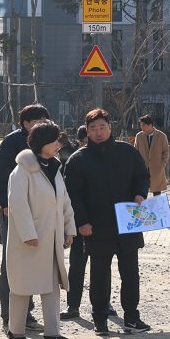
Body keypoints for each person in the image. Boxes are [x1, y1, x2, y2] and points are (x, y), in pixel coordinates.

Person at [64, 108, 152, 335]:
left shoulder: (127, 152)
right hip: (96, 227)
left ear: (110, 128)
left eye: (102, 127)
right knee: (99, 275)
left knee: (131, 273)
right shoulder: (78, 160)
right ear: (87, 131)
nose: (98, 132)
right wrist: (81, 222)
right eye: (93, 128)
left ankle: (132, 318)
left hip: (128, 224)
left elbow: (142, 176)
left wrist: (140, 194)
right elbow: (73, 195)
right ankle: (100, 319)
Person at [5, 121, 77, 339]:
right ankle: (16, 330)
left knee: (51, 284)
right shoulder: (22, 170)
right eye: (54, 140)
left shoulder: (54, 168)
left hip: (51, 237)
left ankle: (52, 332)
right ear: (42, 143)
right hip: (30, 239)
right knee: (21, 284)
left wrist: (69, 228)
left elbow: (64, 200)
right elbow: (17, 203)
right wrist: (28, 233)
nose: (58, 144)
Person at [0, 103, 51, 332]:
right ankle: (9, 315)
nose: (43, 125)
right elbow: (1, 174)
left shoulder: (46, 142)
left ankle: (27, 314)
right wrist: (5, 205)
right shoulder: (12, 142)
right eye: (38, 121)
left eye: (45, 121)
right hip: (15, 211)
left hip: (39, 212)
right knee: (11, 262)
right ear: (26, 124)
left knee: (32, 261)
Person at [60, 126, 117, 321]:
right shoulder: (75, 160)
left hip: (103, 224)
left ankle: (104, 303)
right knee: (77, 265)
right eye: (85, 139)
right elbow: (71, 194)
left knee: (103, 266)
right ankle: (72, 304)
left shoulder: (110, 159)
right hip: (80, 222)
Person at [133, 115, 170, 197]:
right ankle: (143, 209)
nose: (142, 128)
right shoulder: (139, 136)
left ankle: (157, 209)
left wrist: (162, 164)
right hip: (142, 168)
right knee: (141, 193)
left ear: (150, 125)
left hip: (157, 169)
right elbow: (136, 152)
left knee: (157, 194)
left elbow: (166, 151)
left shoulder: (161, 136)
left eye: (144, 126)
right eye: (141, 125)